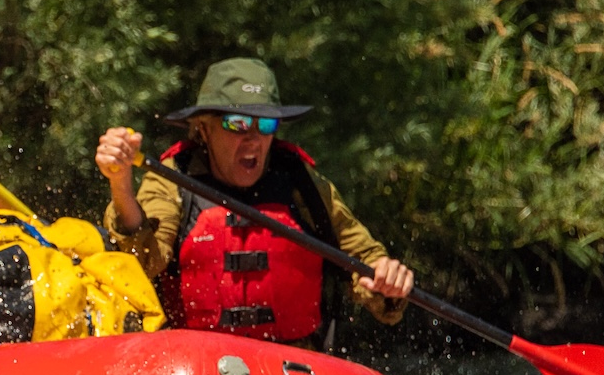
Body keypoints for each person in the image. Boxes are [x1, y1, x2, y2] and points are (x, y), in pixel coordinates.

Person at [94, 58, 413, 347]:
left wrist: (387, 281)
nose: (254, 138)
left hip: (294, 371)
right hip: (195, 365)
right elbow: (143, 262)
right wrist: (121, 184)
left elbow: (369, 265)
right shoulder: (172, 177)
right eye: (238, 123)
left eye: (265, 125)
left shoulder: (302, 183)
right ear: (203, 129)